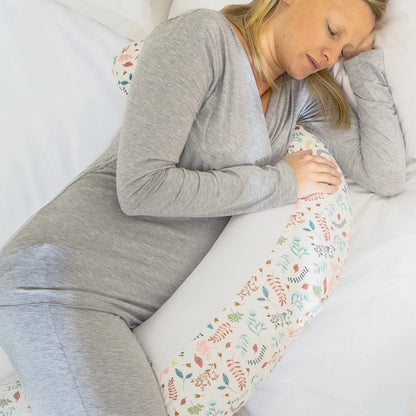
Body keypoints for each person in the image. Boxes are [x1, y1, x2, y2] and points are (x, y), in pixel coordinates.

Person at [0, 0, 405, 415]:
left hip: (122, 311)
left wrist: (364, 59)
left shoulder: (297, 95)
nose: (331, 55)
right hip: (57, 285)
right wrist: (281, 181)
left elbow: (386, 173)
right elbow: (141, 188)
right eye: (333, 31)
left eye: (344, 50)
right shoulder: (201, 39)